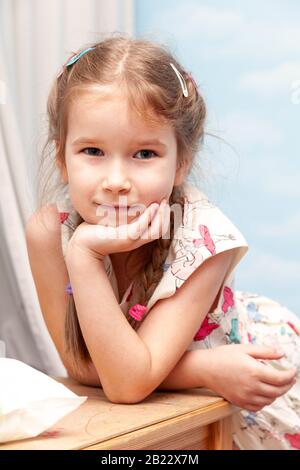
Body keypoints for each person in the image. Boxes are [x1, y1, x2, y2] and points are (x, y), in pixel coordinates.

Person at [25, 34, 300, 450]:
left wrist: (84, 257)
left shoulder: (205, 238)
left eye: (144, 155)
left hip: (237, 401)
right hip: (181, 392)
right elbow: (83, 367)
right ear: (62, 158)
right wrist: (201, 368)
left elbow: (126, 383)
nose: (116, 182)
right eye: (93, 150)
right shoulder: (50, 233)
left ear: (181, 162)